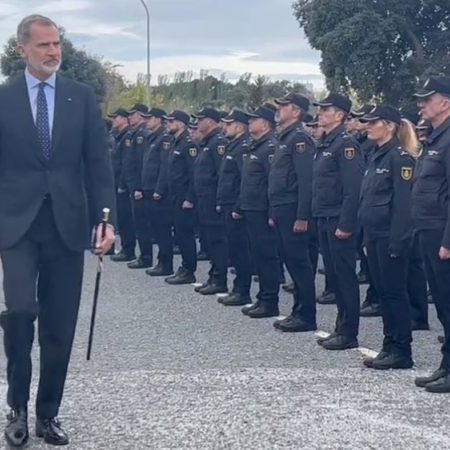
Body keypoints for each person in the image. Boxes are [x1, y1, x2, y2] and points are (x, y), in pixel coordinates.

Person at [0, 15, 115, 447]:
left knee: (59, 325)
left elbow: (97, 164)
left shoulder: (80, 97)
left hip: (67, 225)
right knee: (21, 312)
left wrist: (106, 220)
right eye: (44, 45)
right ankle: (16, 407)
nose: (53, 52)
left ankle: (47, 414)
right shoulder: (3, 98)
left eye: (57, 44)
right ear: (22, 50)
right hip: (15, 226)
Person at [358, 105, 416, 370]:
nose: (367, 126)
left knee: (394, 294)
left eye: (373, 123)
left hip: (390, 238)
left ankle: (402, 350)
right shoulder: (376, 155)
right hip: (374, 236)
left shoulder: (400, 158)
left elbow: (403, 206)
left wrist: (397, 242)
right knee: (383, 293)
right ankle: (389, 344)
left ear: (390, 126)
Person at [313, 94, 364, 350]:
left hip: (337, 219)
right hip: (324, 216)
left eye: (326, 109)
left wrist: (346, 224)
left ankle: (348, 332)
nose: (320, 113)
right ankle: (340, 326)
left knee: (344, 276)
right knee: (334, 274)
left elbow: (353, 190)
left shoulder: (346, 145)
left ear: (341, 115)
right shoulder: (326, 143)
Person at [412, 76, 450, 393]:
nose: (421, 105)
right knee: (441, 302)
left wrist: (448, 241)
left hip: (443, 234)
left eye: (428, 99)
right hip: (428, 230)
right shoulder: (436, 138)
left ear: (446, 103)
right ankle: (446, 365)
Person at [269, 93, 317, 332]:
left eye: (283, 105)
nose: (279, 109)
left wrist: (302, 216)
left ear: (296, 111)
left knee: (299, 263)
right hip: (281, 208)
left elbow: (306, 181)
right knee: (291, 262)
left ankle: (306, 315)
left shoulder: (299, 140)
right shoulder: (285, 138)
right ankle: (298, 310)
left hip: (292, 209)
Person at [234, 105, 280, 319]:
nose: (250, 122)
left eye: (255, 119)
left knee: (266, 256)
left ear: (265, 124)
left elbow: (273, 183)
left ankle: (270, 301)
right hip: (251, 208)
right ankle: (262, 297)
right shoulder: (255, 146)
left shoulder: (270, 147)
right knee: (258, 256)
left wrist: (272, 212)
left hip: (262, 210)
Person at [216, 110, 253, 306]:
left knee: (240, 250)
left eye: (229, 124)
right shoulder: (234, 146)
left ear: (239, 126)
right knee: (235, 248)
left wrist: (238, 206)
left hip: (236, 206)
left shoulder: (243, 148)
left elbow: (244, 180)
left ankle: (242, 290)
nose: (225, 127)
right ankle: (238, 288)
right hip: (228, 203)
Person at [192, 108, 229, 295]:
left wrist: (218, 200)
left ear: (212, 122)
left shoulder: (218, 143)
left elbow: (221, 174)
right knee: (209, 239)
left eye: (201, 119)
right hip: (204, 199)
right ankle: (213, 275)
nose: (197, 122)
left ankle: (220, 279)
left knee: (217, 240)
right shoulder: (207, 142)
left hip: (213, 199)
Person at [138, 108, 175, 277]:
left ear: (159, 119)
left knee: (162, 229)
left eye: (150, 118)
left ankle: (165, 263)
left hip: (157, 191)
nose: (146, 121)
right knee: (155, 227)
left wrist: (159, 189)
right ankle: (161, 261)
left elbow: (164, 167)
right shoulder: (151, 137)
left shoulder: (164, 139)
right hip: (148, 187)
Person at [164, 111, 198, 285]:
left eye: (172, 121)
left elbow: (194, 174)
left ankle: (188, 269)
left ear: (182, 124)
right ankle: (185, 267)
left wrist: (190, 198)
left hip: (185, 197)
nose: (168, 124)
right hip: (175, 195)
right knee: (179, 232)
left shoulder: (188, 144)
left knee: (185, 234)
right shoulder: (175, 142)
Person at [123, 104, 154, 269]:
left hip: (138, 187)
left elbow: (142, 164)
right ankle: (143, 254)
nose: (130, 117)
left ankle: (146, 256)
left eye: (133, 114)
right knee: (137, 222)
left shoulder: (142, 135)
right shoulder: (134, 133)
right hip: (132, 185)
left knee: (142, 223)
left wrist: (138, 187)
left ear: (141, 116)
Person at [108, 108, 137, 262]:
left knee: (126, 218)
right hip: (117, 181)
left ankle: (129, 249)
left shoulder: (127, 137)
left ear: (124, 119)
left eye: (116, 118)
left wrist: (123, 184)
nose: (114, 121)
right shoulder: (119, 136)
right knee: (122, 217)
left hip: (123, 184)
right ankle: (126, 247)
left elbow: (127, 163)